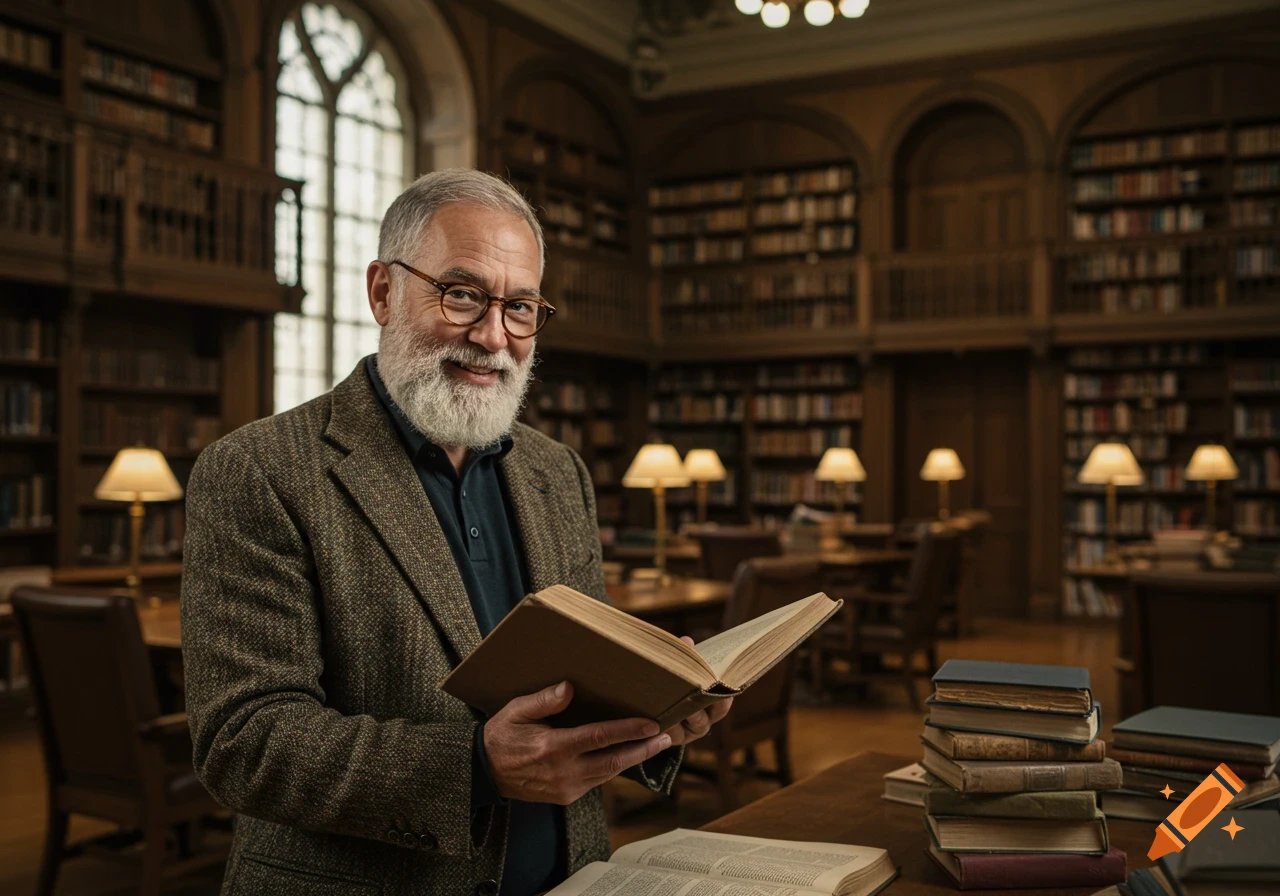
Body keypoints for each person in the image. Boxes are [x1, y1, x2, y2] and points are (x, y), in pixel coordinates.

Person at [180, 169, 732, 896]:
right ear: (383, 292)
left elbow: (580, 679)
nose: (494, 336)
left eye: (522, 306)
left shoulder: (557, 472)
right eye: (464, 294)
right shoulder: (258, 471)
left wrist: (656, 717)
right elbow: (244, 742)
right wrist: (474, 766)